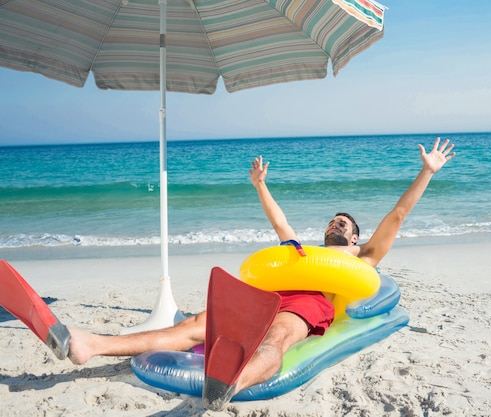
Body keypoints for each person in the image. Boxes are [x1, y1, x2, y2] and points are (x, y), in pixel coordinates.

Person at [65, 137, 455, 410]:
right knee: (196, 326)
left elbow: (398, 216)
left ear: (356, 237)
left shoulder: (362, 257)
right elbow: (280, 221)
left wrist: (427, 172)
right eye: (333, 221)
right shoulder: (303, 252)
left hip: (306, 304)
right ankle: (92, 345)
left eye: (344, 224)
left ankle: (229, 384)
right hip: (268, 295)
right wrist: (260, 185)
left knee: (278, 338)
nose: (336, 224)